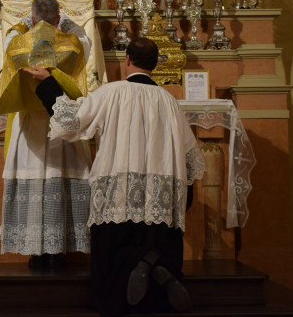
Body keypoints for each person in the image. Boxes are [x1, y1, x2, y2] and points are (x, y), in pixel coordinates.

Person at [24, 37, 206, 315]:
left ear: (128, 61)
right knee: (155, 238)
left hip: (118, 188)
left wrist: (48, 82)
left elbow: (71, 120)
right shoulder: (169, 101)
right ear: (154, 65)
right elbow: (188, 155)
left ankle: (122, 292)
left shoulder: (112, 92)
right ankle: (155, 265)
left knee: (116, 248)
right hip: (161, 191)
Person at [0, 0, 93, 269]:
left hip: (28, 122)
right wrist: (64, 22)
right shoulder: (71, 43)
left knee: (34, 180)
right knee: (59, 179)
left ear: (34, 19)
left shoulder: (17, 43)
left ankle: (36, 250)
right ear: (58, 18)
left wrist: (29, 22)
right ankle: (58, 249)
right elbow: (84, 39)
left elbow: (10, 36)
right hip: (60, 118)